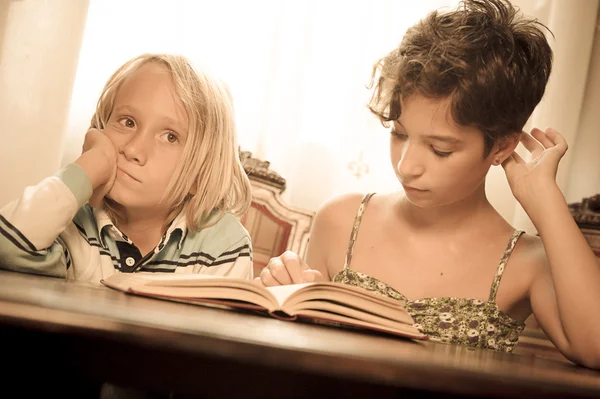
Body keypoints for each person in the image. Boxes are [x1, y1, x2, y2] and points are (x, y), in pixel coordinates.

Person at [255, 0, 600, 369]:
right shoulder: (340, 220)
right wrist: (282, 302)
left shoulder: (527, 263)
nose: (407, 166)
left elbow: (595, 349)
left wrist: (545, 199)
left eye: (440, 149)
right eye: (399, 133)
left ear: (502, 146)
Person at [0, 53, 253, 282]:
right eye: (128, 122)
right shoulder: (71, 222)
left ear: (200, 174)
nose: (133, 150)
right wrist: (88, 166)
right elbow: (7, 246)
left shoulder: (223, 245)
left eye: (170, 136)